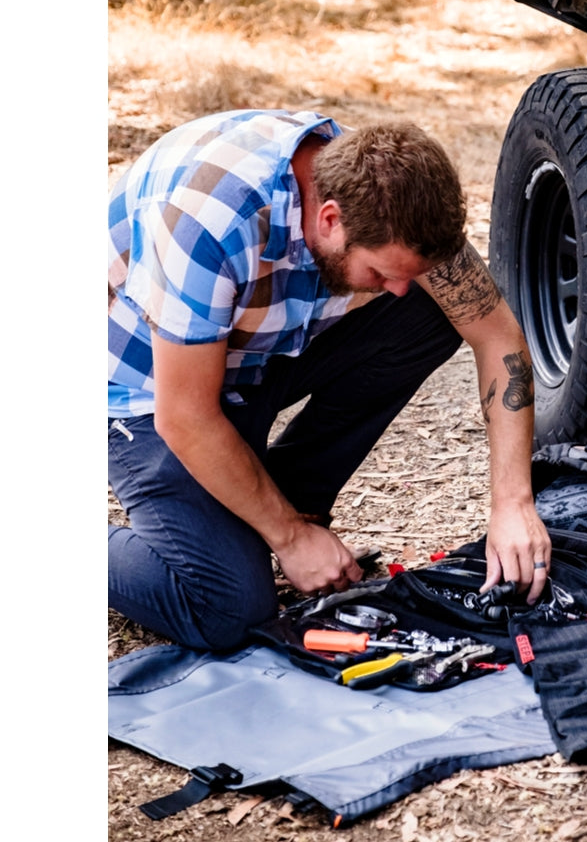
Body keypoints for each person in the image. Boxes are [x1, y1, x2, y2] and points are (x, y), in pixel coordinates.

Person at [108, 109, 551, 651]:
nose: (393, 290)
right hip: (148, 387)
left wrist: (512, 503)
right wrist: (290, 539)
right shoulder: (209, 219)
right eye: (380, 273)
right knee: (226, 608)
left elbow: (498, 338)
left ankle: (282, 503)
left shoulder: (396, 200)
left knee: (434, 313)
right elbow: (186, 416)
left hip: (250, 356)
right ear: (331, 219)